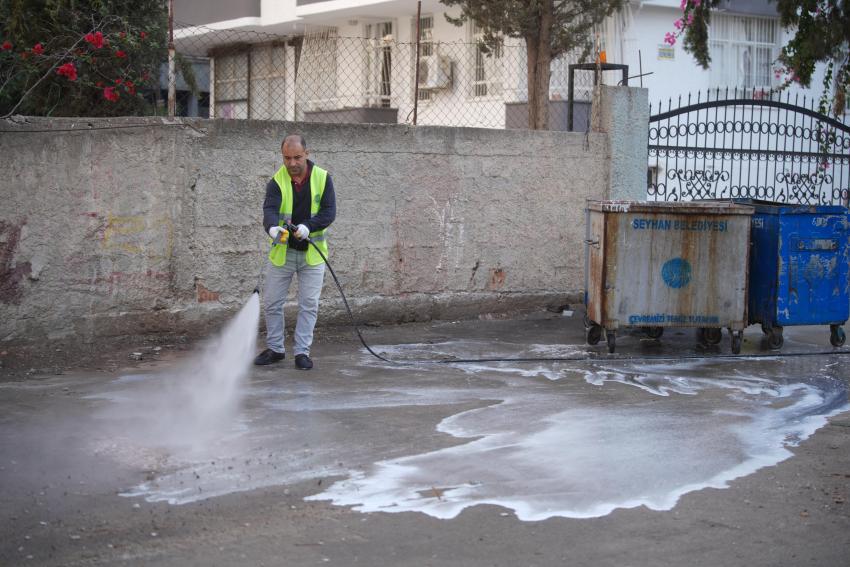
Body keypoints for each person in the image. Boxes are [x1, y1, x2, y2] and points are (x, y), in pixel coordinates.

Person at [254, 134, 336, 370]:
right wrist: (272, 228)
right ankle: (276, 349)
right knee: (272, 303)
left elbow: (329, 212)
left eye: (297, 157)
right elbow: (269, 209)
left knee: (309, 304)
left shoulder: (323, 178)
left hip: (313, 254)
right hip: (283, 253)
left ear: (307, 154)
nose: (292, 163)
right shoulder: (276, 181)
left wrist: (308, 227)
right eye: (287, 158)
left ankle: (302, 352)